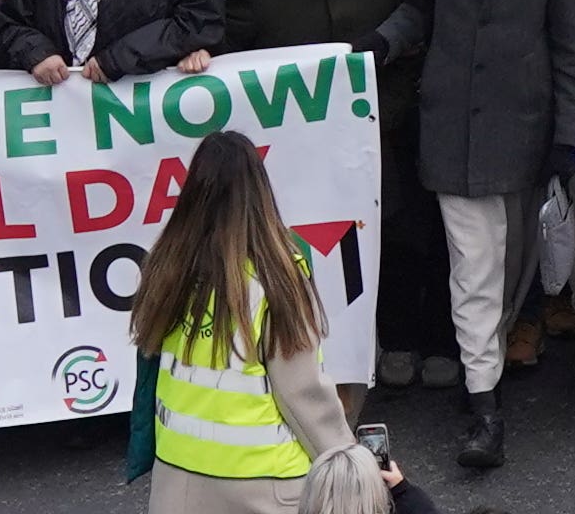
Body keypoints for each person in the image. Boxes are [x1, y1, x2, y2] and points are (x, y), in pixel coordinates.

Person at [404, 0, 575, 465]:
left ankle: (488, 366)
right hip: (454, 129)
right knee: (474, 269)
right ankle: (485, 408)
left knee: (515, 270)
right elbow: (419, 7)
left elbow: (570, 47)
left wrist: (567, 140)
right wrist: (378, 44)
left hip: (528, 129)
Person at [124, 124, 397, 514]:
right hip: (265, 487)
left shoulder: (166, 268)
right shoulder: (273, 278)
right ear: (259, 191)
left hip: (177, 484)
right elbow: (302, 394)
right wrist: (351, 463)